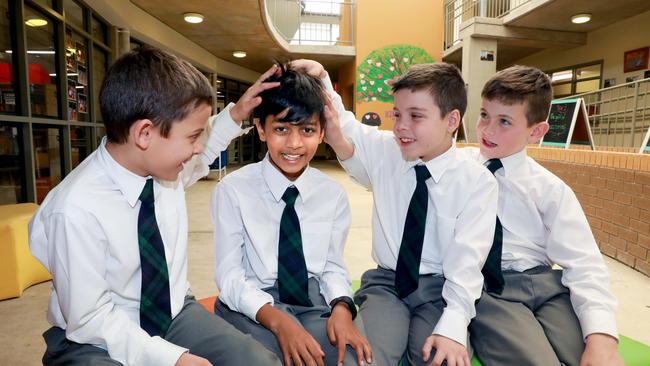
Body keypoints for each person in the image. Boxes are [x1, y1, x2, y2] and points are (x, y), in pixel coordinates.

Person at [29, 46, 282, 366]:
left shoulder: (163, 168)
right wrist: (175, 359)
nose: (199, 149)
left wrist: (236, 113)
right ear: (145, 134)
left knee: (257, 361)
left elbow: (201, 155)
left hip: (174, 314)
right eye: (192, 136)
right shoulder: (74, 210)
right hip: (94, 337)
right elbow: (90, 318)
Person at [294, 60, 498, 366]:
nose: (401, 126)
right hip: (386, 285)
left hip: (440, 289)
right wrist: (323, 78)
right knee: (364, 357)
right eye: (398, 115)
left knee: (438, 357)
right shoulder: (387, 150)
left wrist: (455, 321)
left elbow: (468, 261)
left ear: (451, 120)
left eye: (416, 116)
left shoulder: (476, 181)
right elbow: (346, 124)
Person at [460, 65, 623, 366]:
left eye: (504, 121)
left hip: (547, 286)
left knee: (590, 355)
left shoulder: (550, 189)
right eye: (484, 115)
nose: (487, 129)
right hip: (493, 288)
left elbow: (584, 263)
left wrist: (602, 338)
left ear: (535, 132)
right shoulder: (458, 170)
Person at [212, 63, 372, 366]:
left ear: (322, 132)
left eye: (307, 130)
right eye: (281, 129)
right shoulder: (232, 190)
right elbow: (230, 277)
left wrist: (341, 307)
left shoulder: (333, 195)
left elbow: (333, 267)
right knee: (270, 360)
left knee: (354, 359)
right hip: (254, 303)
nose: (295, 144)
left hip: (312, 302)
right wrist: (279, 322)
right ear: (261, 129)